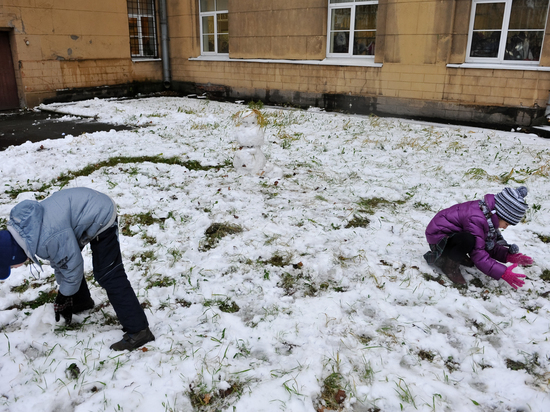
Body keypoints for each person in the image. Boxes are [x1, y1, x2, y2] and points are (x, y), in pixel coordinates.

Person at [0, 187, 154, 350]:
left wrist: (64, 294)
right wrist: (66, 294)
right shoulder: (28, 231)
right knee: (69, 263)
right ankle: (82, 301)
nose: (14, 268)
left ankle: (139, 331)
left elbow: (72, 266)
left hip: (99, 214)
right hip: (84, 211)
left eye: (10, 266)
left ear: (13, 255)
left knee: (108, 273)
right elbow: (62, 261)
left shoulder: (45, 238)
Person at [424, 186, 533, 288]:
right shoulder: (477, 218)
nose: (505, 228)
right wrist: (502, 272)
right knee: (468, 240)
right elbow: (478, 253)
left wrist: (507, 256)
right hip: (439, 239)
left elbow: (487, 244)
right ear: (501, 214)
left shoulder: (487, 215)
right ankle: (449, 266)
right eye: (507, 224)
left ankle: (455, 255)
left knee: (472, 240)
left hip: (452, 236)